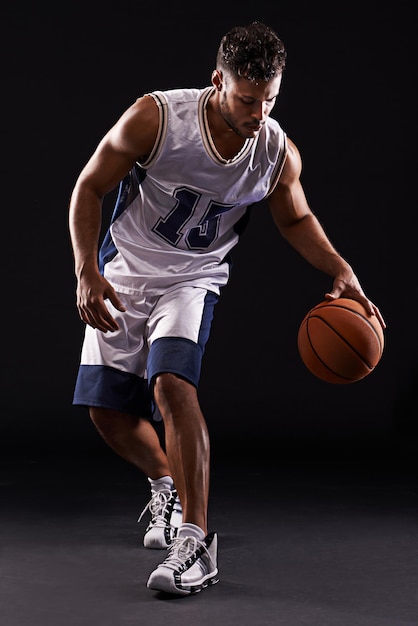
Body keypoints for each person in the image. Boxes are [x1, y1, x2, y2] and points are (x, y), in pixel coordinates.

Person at [68, 21, 385, 596]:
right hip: (125, 271)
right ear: (218, 81)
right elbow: (88, 186)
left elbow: (295, 217)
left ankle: (195, 541)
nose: (258, 112)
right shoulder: (157, 118)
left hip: (193, 279)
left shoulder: (273, 150)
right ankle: (165, 485)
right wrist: (86, 270)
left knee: (172, 386)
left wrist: (340, 268)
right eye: (246, 98)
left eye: (269, 100)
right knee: (108, 413)